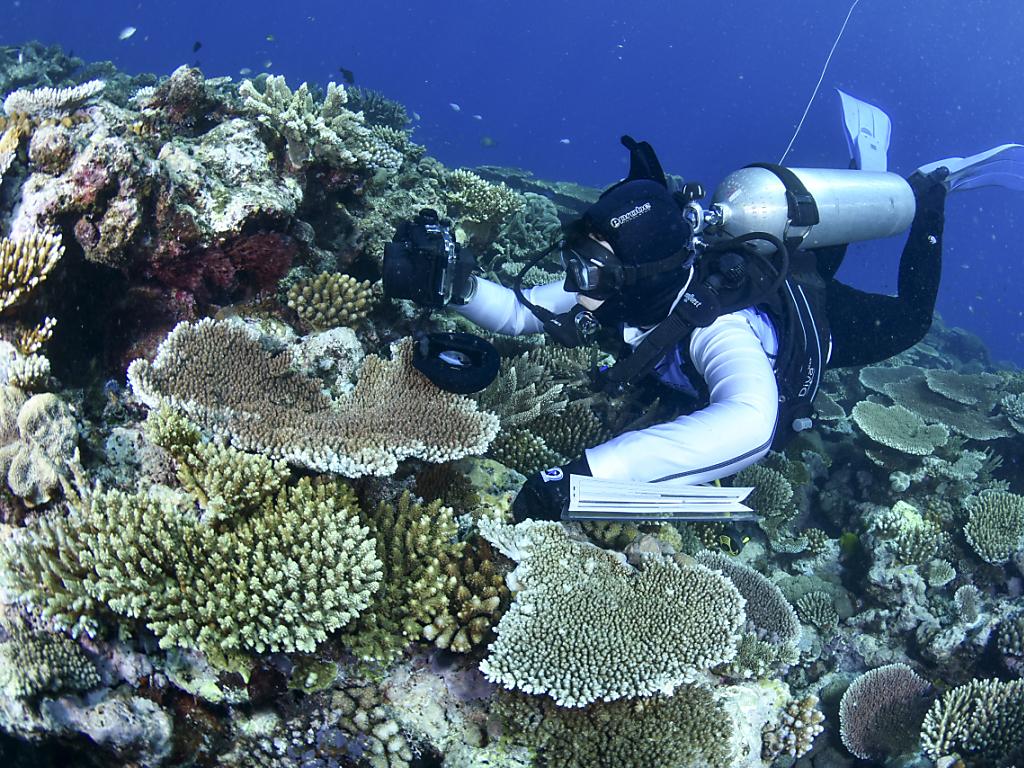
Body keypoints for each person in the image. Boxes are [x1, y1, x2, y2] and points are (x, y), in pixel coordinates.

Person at [430, 135, 954, 523]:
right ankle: (860, 182)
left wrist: (582, 479)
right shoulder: (613, 282)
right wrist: (453, 285)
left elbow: (750, 426)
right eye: (576, 261)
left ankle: (930, 196)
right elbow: (519, 312)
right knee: (813, 255)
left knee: (910, 321)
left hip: (819, 321)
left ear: (640, 276)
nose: (573, 282)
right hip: (775, 269)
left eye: (589, 269)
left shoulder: (718, 328)